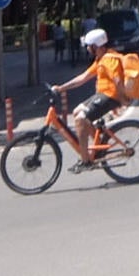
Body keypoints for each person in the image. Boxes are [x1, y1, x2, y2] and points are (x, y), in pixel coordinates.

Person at [51, 28, 124, 172]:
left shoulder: (110, 59)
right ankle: (101, 141)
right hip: (102, 95)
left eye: (89, 46)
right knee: (77, 111)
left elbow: (117, 80)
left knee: (80, 120)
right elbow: (83, 78)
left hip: (109, 96)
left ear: (96, 46)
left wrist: (122, 100)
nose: (88, 49)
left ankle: (86, 161)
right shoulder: (101, 59)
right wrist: (62, 88)